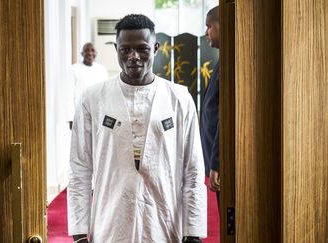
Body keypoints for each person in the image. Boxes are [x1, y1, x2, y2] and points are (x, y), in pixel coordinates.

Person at [68, 14, 207, 243]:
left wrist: (192, 232)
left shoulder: (179, 99)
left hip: (163, 221)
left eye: (142, 49)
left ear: (155, 48)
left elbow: (192, 170)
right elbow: (80, 169)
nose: (133, 57)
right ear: (116, 49)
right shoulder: (92, 99)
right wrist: (80, 233)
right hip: (110, 222)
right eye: (125, 50)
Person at [200, 6, 220, 201]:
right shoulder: (222, 61)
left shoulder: (231, 63)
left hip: (221, 162)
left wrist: (217, 163)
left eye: (209, 26)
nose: (206, 32)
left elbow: (225, 118)